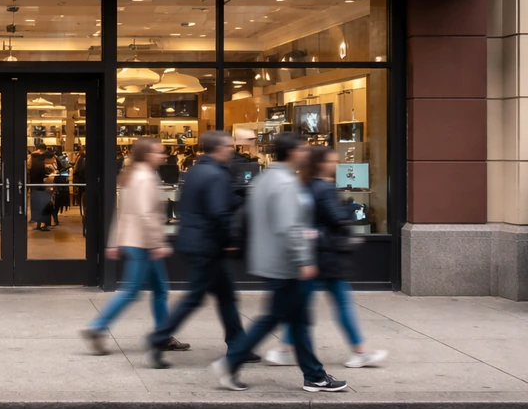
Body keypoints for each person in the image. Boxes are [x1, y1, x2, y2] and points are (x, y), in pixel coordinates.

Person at [211, 132, 347, 393]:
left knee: (297, 319)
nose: (308, 154)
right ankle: (230, 363)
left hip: (269, 258)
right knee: (274, 318)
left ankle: (314, 375)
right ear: (293, 153)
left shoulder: (265, 179)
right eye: (304, 150)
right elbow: (289, 227)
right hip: (285, 263)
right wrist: (304, 259)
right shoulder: (285, 183)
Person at [264, 146, 388, 369]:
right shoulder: (324, 188)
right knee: (340, 302)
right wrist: (350, 208)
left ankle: (283, 349)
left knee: (303, 304)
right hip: (327, 255)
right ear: (320, 163)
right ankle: (359, 350)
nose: (336, 164)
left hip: (312, 254)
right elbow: (336, 218)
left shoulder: (305, 186)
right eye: (332, 161)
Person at [148, 130, 258, 368]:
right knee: (194, 298)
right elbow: (219, 213)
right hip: (208, 246)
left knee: (226, 297)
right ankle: (157, 339)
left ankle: (239, 345)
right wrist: (231, 241)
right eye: (228, 146)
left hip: (197, 242)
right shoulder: (216, 174)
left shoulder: (196, 170)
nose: (232, 149)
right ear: (218, 149)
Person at [80, 138, 184, 356]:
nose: (163, 156)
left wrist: (115, 242)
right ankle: (97, 327)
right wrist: (158, 243)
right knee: (132, 292)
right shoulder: (145, 178)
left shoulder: (131, 176)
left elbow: (122, 214)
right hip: (144, 245)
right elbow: (147, 216)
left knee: (159, 291)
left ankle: (163, 335)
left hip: (135, 242)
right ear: (147, 155)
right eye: (159, 152)